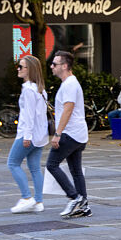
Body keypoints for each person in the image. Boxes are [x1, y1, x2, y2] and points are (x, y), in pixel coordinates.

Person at [46, 51, 90, 219]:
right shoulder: (69, 83)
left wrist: (57, 134)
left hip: (70, 134)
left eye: (54, 64)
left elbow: (68, 109)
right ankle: (84, 206)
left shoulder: (70, 84)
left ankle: (74, 197)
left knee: (52, 165)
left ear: (64, 66)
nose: (52, 67)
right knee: (76, 170)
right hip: (78, 134)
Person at [8, 55, 49, 214]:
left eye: (21, 67)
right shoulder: (40, 89)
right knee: (35, 168)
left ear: (29, 69)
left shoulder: (29, 90)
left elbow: (29, 115)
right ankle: (38, 202)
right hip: (39, 135)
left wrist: (27, 136)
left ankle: (26, 198)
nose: (18, 69)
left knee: (12, 163)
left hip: (29, 134)